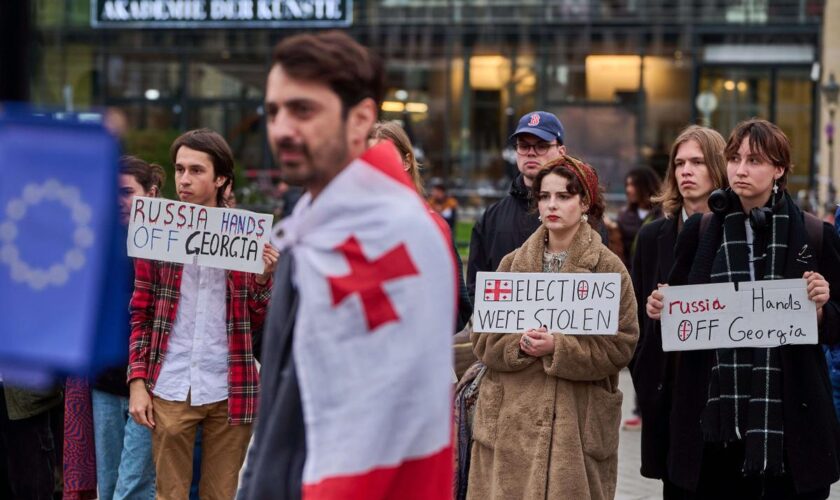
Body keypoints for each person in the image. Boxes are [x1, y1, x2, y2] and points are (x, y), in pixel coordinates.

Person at [239, 31, 456, 500]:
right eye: (274, 111)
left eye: (303, 110)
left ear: (360, 120)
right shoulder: (312, 231)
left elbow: (381, 427)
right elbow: (278, 411)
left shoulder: (397, 235)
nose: (280, 128)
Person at [646, 119, 840, 499]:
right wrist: (660, 309)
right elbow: (673, 326)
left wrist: (820, 309)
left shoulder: (816, 235)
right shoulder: (701, 231)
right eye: (734, 158)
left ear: (779, 169)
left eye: (754, 160)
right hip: (714, 427)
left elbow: (836, 324)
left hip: (787, 425)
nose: (740, 169)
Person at [467, 155, 639, 500]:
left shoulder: (609, 270)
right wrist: (519, 344)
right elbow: (482, 339)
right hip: (510, 424)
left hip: (575, 432)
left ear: (585, 202)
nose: (552, 205)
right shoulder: (511, 265)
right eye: (545, 197)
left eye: (563, 196)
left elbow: (621, 346)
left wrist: (559, 348)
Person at [127, 129, 278, 500]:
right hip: (172, 382)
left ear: (221, 177)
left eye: (196, 170)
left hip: (231, 387)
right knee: (169, 495)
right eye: (179, 169)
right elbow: (141, 312)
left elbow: (257, 322)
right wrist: (137, 382)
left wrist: (262, 279)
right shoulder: (158, 228)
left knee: (220, 495)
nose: (184, 180)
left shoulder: (245, 235)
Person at [628, 126, 728, 496]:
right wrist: (647, 379)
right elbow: (635, 322)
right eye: (680, 163)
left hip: (726, 397)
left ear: (718, 167)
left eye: (698, 162)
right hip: (671, 400)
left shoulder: (740, 231)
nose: (686, 171)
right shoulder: (654, 237)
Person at [88, 156, 165, 500]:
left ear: (151, 193)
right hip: (105, 380)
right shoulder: (97, 240)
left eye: (126, 192)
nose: (118, 200)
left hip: (152, 381)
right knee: (108, 485)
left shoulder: (171, 243)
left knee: (133, 487)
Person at [369, 120, 473, 332]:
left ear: (406, 161)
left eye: (384, 157)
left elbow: (456, 308)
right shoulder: (345, 224)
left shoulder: (431, 225)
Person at [466, 111, 566, 298]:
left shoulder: (584, 215)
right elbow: (475, 291)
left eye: (541, 146)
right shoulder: (491, 219)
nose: (531, 152)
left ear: (561, 152)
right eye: (523, 145)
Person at [616, 166, 662, 266]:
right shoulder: (623, 217)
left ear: (646, 186)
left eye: (633, 185)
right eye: (627, 185)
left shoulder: (663, 215)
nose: (628, 189)